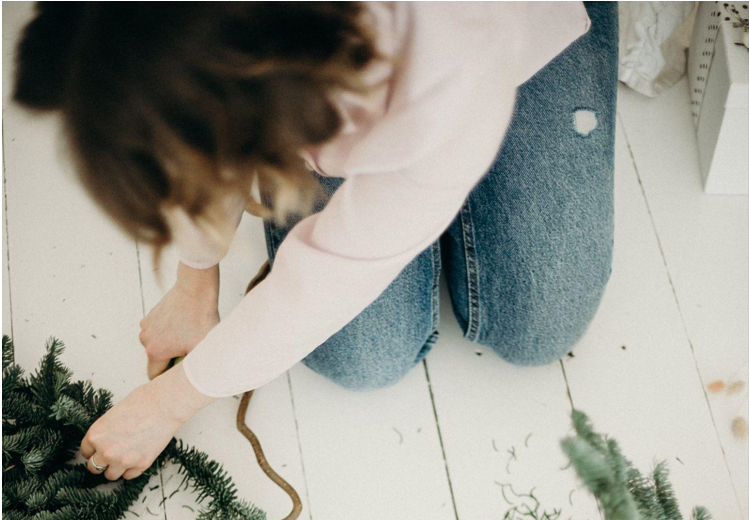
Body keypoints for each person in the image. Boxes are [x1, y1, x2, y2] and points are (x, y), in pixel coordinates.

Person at [13, 2, 617, 481]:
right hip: (345, 74)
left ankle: (448, 174)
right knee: (361, 358)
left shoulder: (449, 58)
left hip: (484, 38)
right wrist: (195, 279)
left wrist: (167, 404)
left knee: (537, 326)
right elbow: (201, 125)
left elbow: (334, 273)